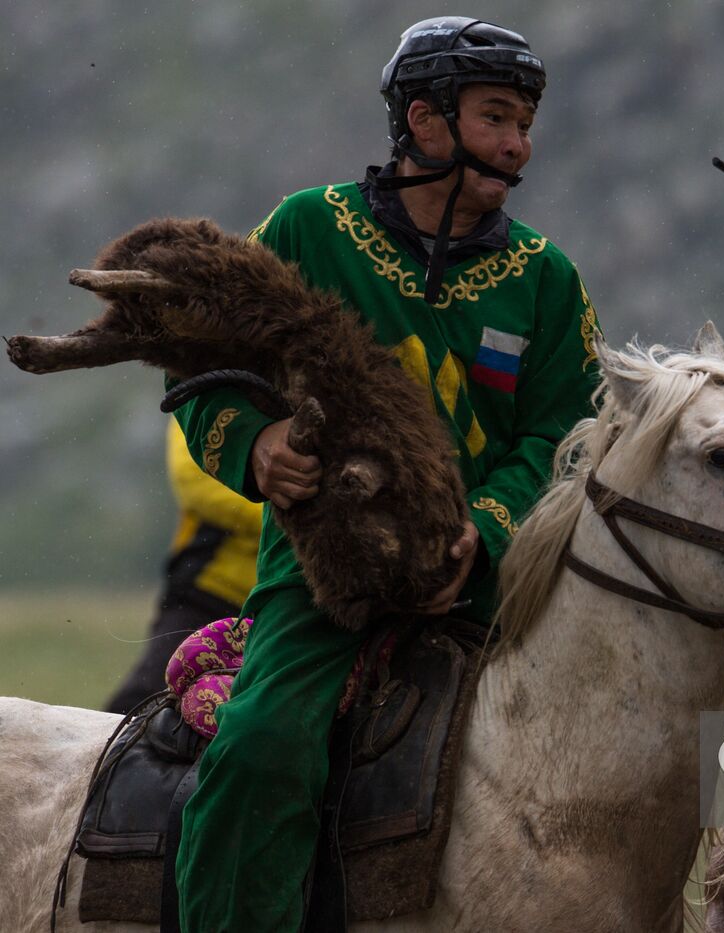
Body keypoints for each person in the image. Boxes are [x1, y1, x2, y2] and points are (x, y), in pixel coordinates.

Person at [169, 17, 601, 930]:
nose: (519, 143)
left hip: (496, 587)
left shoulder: (548, 280)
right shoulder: (305, 229)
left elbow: (565, 438)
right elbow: (199, 366)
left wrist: (480, 533)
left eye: (525, 121)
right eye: (496, 117)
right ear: (425, 120)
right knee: (258, 749)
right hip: (325, 583)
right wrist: (254, 442)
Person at [103, 419, 262, 714]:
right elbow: (198, 482)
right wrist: (299, 517)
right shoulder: (205, 391)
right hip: (211, 591)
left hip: (299, 601)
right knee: (143, 704)